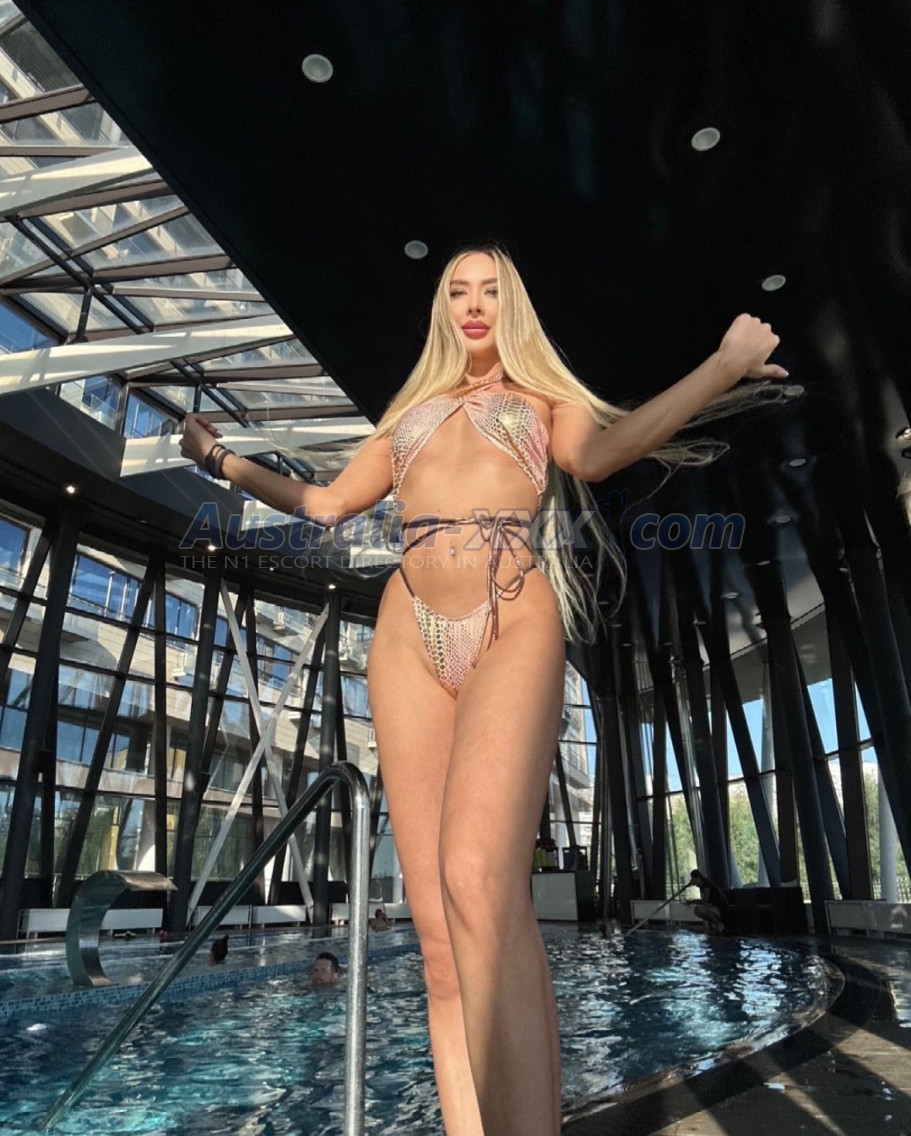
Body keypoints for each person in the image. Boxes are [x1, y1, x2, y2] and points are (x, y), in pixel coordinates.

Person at [180, 242, 791, 1136]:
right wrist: (218, 459)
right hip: (406, 631)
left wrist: (724, 365)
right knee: (435, 936)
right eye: (458, 291)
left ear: (512, 307)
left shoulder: (543, 400)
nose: (473, 304)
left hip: (510, 615)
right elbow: (324, 505)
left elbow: (602, 454)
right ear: (443, 309)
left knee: (478, 881)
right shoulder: (408, 416)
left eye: (490, 291)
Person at [689, 868, 730, 935]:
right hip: (716, 908)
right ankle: (715, 925)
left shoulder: (706, 885)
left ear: (698, 878)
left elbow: (705, 902)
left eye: (693, 879)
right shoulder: (703, 886)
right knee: (699, 910)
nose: (692, 881)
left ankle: (719, 924)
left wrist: (694, 901)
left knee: (699, 909)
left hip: (722, 909)